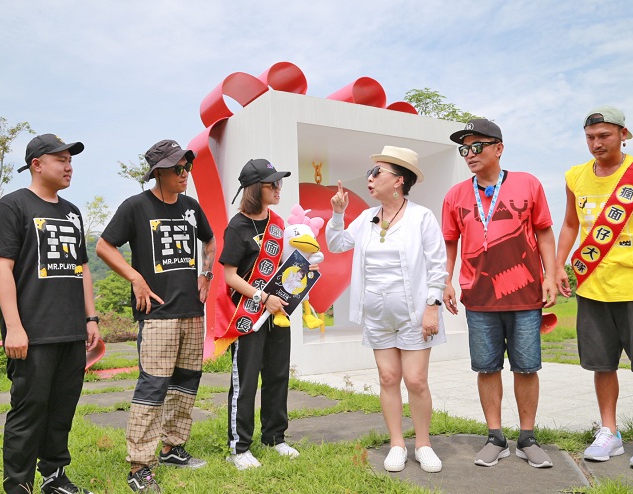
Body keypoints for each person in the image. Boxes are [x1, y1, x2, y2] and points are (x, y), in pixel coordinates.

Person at [96, 139, 215, 492]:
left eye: (187, 167)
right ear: (158, 173)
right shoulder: (136, 207)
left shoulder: (191, 207)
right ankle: (139, 466)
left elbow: (210, 241)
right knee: (153, 388)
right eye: (178, 169)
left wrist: (206, 275)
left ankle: (173, 447)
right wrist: (135, 278)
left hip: (192, 311)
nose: (185, 174)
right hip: (158, 313)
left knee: (185, 384)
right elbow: (104, 246)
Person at [0, 133, 100, 494]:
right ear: (37, 164)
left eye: (70, 160)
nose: (68, 167)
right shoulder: (12, 206)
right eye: (60, 160)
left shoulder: (72, 211)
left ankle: (54, 477)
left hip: (71, 330)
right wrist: (14, 328)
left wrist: (91, 318)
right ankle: (18, 485)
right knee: (28, 409)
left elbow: (82, 268)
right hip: (33, 331)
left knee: (62, 408)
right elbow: (2, 269)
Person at [442, 119, 558, 469]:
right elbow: (450, 243)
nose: (470, 154)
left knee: (526, 368)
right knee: (487, 368)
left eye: (477, 146)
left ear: (499, 148)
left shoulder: (528, 183)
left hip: (525, 294)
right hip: (478, 297)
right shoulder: (456, 195)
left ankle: (527, 438)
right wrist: (445, 281)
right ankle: (495, 437)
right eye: (464, 149)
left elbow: (544, 234)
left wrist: (551, 275)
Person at [555, 106, 633, 470]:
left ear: (622, 134)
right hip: (592, 287)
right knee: (602, 365)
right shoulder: (575, 176)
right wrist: (559, 264)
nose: (596, 143)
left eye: (604, 135)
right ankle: (610, 432)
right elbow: (571, 225)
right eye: (590, 137)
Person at [327, 146, 447, 473]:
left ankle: (423, 443)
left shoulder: (421, 216)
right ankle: (397, 443)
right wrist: (338, 214)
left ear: (398, 180)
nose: (370, 178)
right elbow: (337, 244)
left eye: (377, 172)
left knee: (417, 380)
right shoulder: (366, 218)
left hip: (414, 313)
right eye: (370, 172)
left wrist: (432, 307)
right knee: (388, 376)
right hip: (377, 314)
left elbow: (437, 265)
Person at [218, 158, 299, 471]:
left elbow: (289, 263)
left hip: (278, 313)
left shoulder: (278, 224)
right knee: (246, 380)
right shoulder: (237, 226)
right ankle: (239, 447)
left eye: (279, 182)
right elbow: (230, 275)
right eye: (272, 184)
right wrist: (261, 296)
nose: (279, 188)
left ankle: (275, 437)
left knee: (278, 374)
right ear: (255, 189)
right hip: (248, 315)